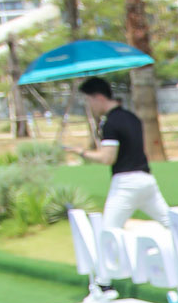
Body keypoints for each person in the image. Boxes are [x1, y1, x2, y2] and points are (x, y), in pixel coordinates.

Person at [61, 77, 168, 230]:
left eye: (89, 100)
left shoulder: (111, 123)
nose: (90, 106)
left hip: (126, 183)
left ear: (99, 98)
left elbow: (107, 158)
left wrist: (82, 152)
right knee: (170, 222)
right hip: (146, 179)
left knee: (109, 230)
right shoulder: (132, 118)